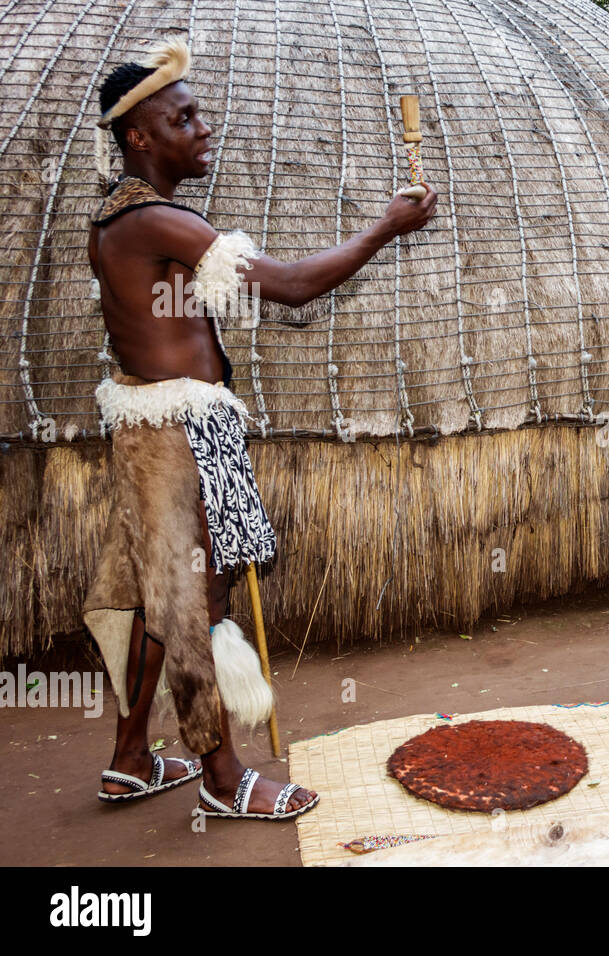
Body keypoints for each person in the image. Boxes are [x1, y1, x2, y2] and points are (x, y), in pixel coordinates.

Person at [85, 40, 438, 819]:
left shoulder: (126, 216)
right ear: (141, 137)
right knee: (190, 603)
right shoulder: (153, 221)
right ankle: (220, 776)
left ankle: (130, 759)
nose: (203, 128)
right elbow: (288, 285)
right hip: (171, 439)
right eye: (184, 117)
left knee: (151, 601)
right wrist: (383, 228)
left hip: (168, 427)